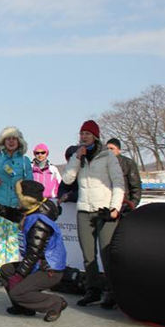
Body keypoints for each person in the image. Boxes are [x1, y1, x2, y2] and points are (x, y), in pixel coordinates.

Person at [62, 120, 125, 309]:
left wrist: (115, 207)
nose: (84, 137)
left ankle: (112, 292)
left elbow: (118, 182)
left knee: (106, 254)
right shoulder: (78, 156)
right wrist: (76, 158)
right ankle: (92, 290)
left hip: (104, 210)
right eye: (81, 134)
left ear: (95, 136)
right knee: (88, 254)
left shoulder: (107, 156)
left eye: (87, 134)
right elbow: (67, 179)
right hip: (84, 209)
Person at [0, 180, 68, 321]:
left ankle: (55, 303)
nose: (16, 199)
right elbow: (15, 215)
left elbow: (34, 254)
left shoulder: (40, 222)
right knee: (6, 270)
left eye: (18, 196)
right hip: (37, 265)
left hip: (48, 269)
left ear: (26, 199)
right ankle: (23, 307)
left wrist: (19, 276)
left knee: (17, 292)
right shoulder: (32, 210)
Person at [0, 126, 33, 285]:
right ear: (3, 142)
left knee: (12, 241)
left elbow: (30, 182)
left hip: (17, 206)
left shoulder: (25, 161)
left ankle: (9, 273)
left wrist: (26, 201)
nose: (11, 141)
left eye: (14, 138)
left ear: (19, 142)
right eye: (8, 138)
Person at [106, 138, 142, 212]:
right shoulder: (102, 164)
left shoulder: (128, 163)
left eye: (112, 148)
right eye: (107, 149)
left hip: (124, 205)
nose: (109, 151)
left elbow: (136, 186)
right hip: (106, 205)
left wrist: (132, 204)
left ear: (119, 150)